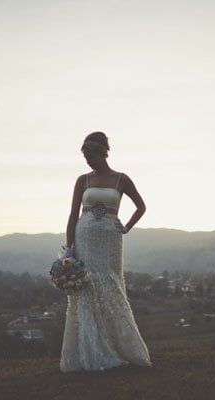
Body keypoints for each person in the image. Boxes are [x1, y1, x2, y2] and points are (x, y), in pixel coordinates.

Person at [60, 131, 152, 372]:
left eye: (90, 155)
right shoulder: (83, 180)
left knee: (110, 285)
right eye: (85, 156)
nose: (87, 160)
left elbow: (141, 206)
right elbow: (72, 216)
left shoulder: (121, 179)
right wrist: (69, 249)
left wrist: (127, 226)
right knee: (88, 287)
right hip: (85, 237)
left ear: (102, 152)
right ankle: (91, 352)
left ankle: (121, 348)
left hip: (110, 239)